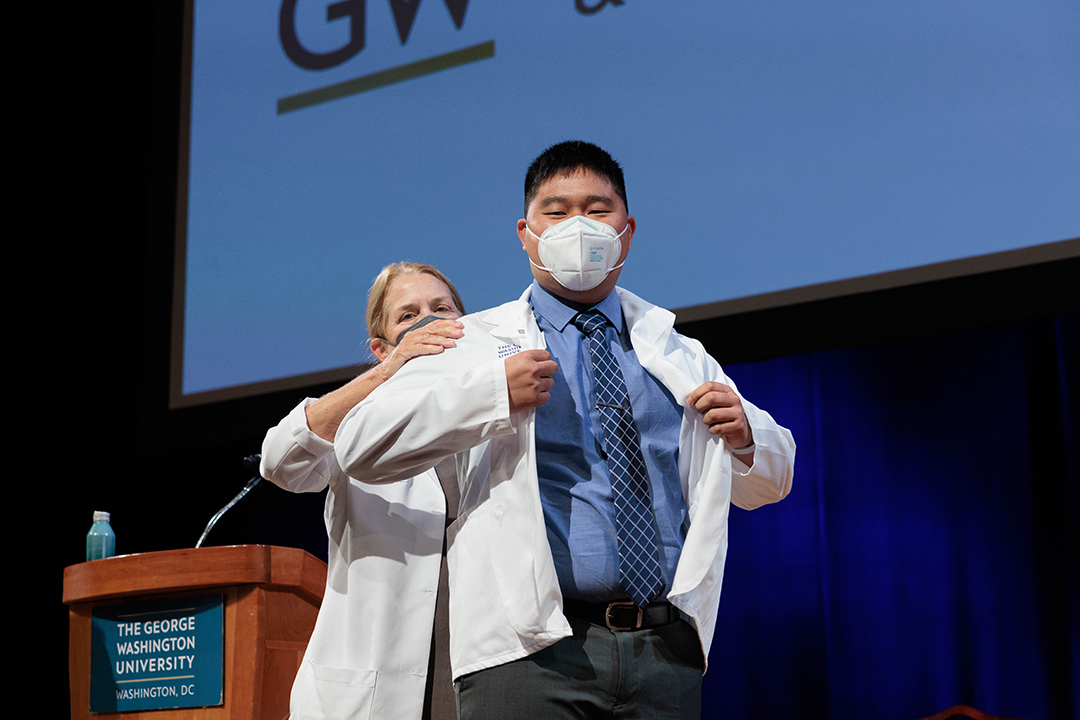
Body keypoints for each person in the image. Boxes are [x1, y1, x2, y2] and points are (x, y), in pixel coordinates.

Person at [334, 141, 796, 719]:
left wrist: (746, 435)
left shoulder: (677, 350)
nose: (578, 225)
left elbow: (769, 483)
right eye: (557, 211)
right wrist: (491, 393)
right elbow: (361, 445)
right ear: (526, 234)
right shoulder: (472, 342)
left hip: (664, 649)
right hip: (528, 654)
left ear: (627, 231)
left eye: (598, 209)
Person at [260, 261, 466, 720]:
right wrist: (390, 372)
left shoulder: (499, 415)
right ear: (380, 346)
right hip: (377, 681)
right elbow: (280, 462)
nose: (428, 322)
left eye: (441, 308)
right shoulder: (359, 422)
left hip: (475, 664)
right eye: (408, 316)